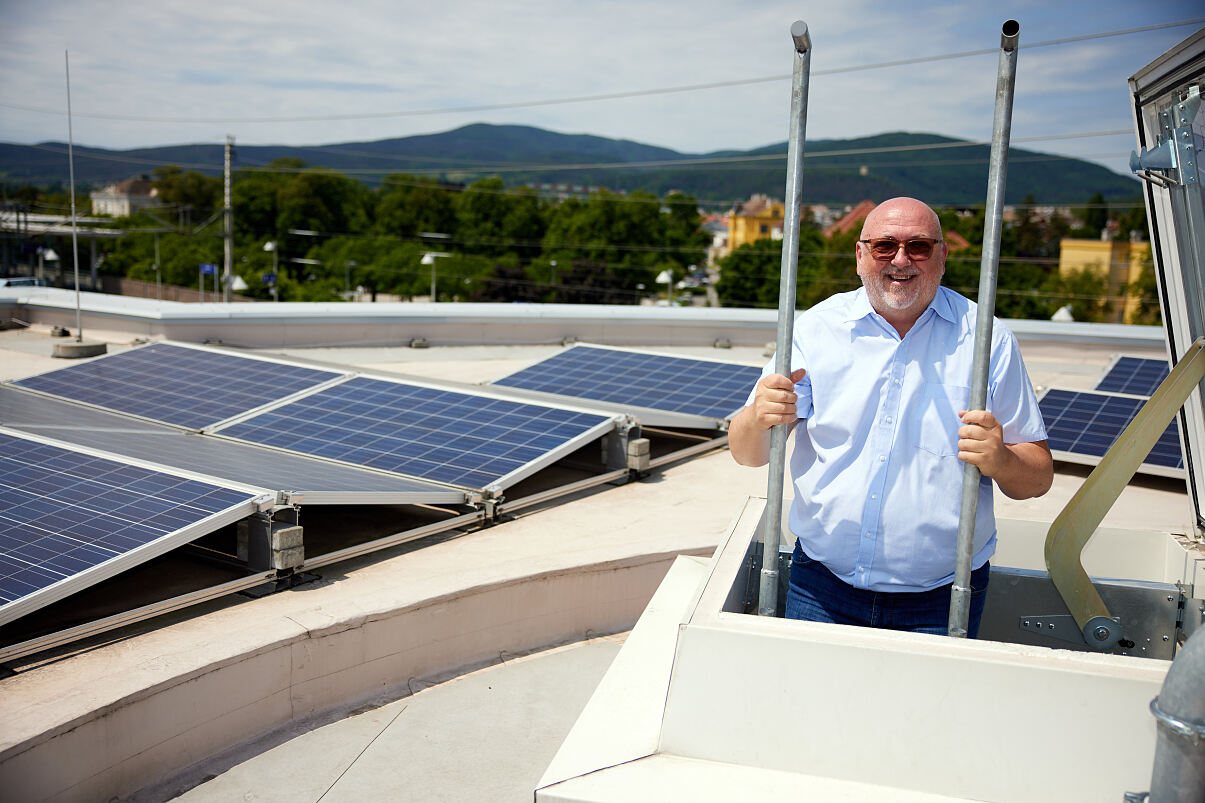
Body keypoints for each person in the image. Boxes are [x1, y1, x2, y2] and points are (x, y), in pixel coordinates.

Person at [729, 197, 1052, 637]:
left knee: (927, 710)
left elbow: (1037, 478)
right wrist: (756, 419)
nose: (901, 259)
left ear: (942, 257)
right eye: (884, 246)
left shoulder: (987, 341)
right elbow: (748, 455)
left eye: (918, 246)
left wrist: (1002, 460)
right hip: (822, 587)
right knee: (813, 707)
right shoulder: (815, 330)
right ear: (860, 256)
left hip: (944, 597)